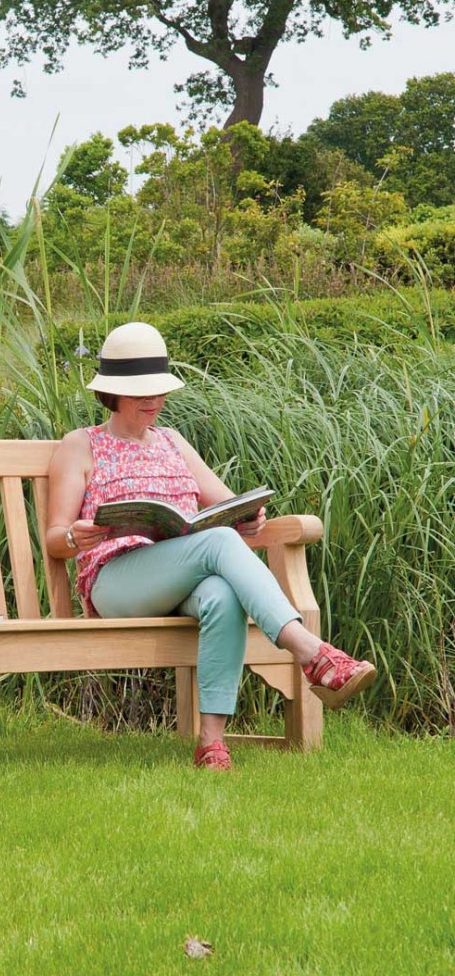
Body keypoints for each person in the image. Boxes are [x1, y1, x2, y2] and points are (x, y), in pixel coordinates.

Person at [45, 322, 376, 771]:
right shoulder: (80, 445)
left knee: (221, 595)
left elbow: (227, 505)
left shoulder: (172, 442)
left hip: (177, 578)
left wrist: (248, 516)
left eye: (159, 390)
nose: (154, 400)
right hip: (116, 584)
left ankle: (212, 744)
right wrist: (73, 536)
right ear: (113, 392)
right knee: (217, 543)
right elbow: (54, 538)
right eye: (141, 391)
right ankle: (312, 653)